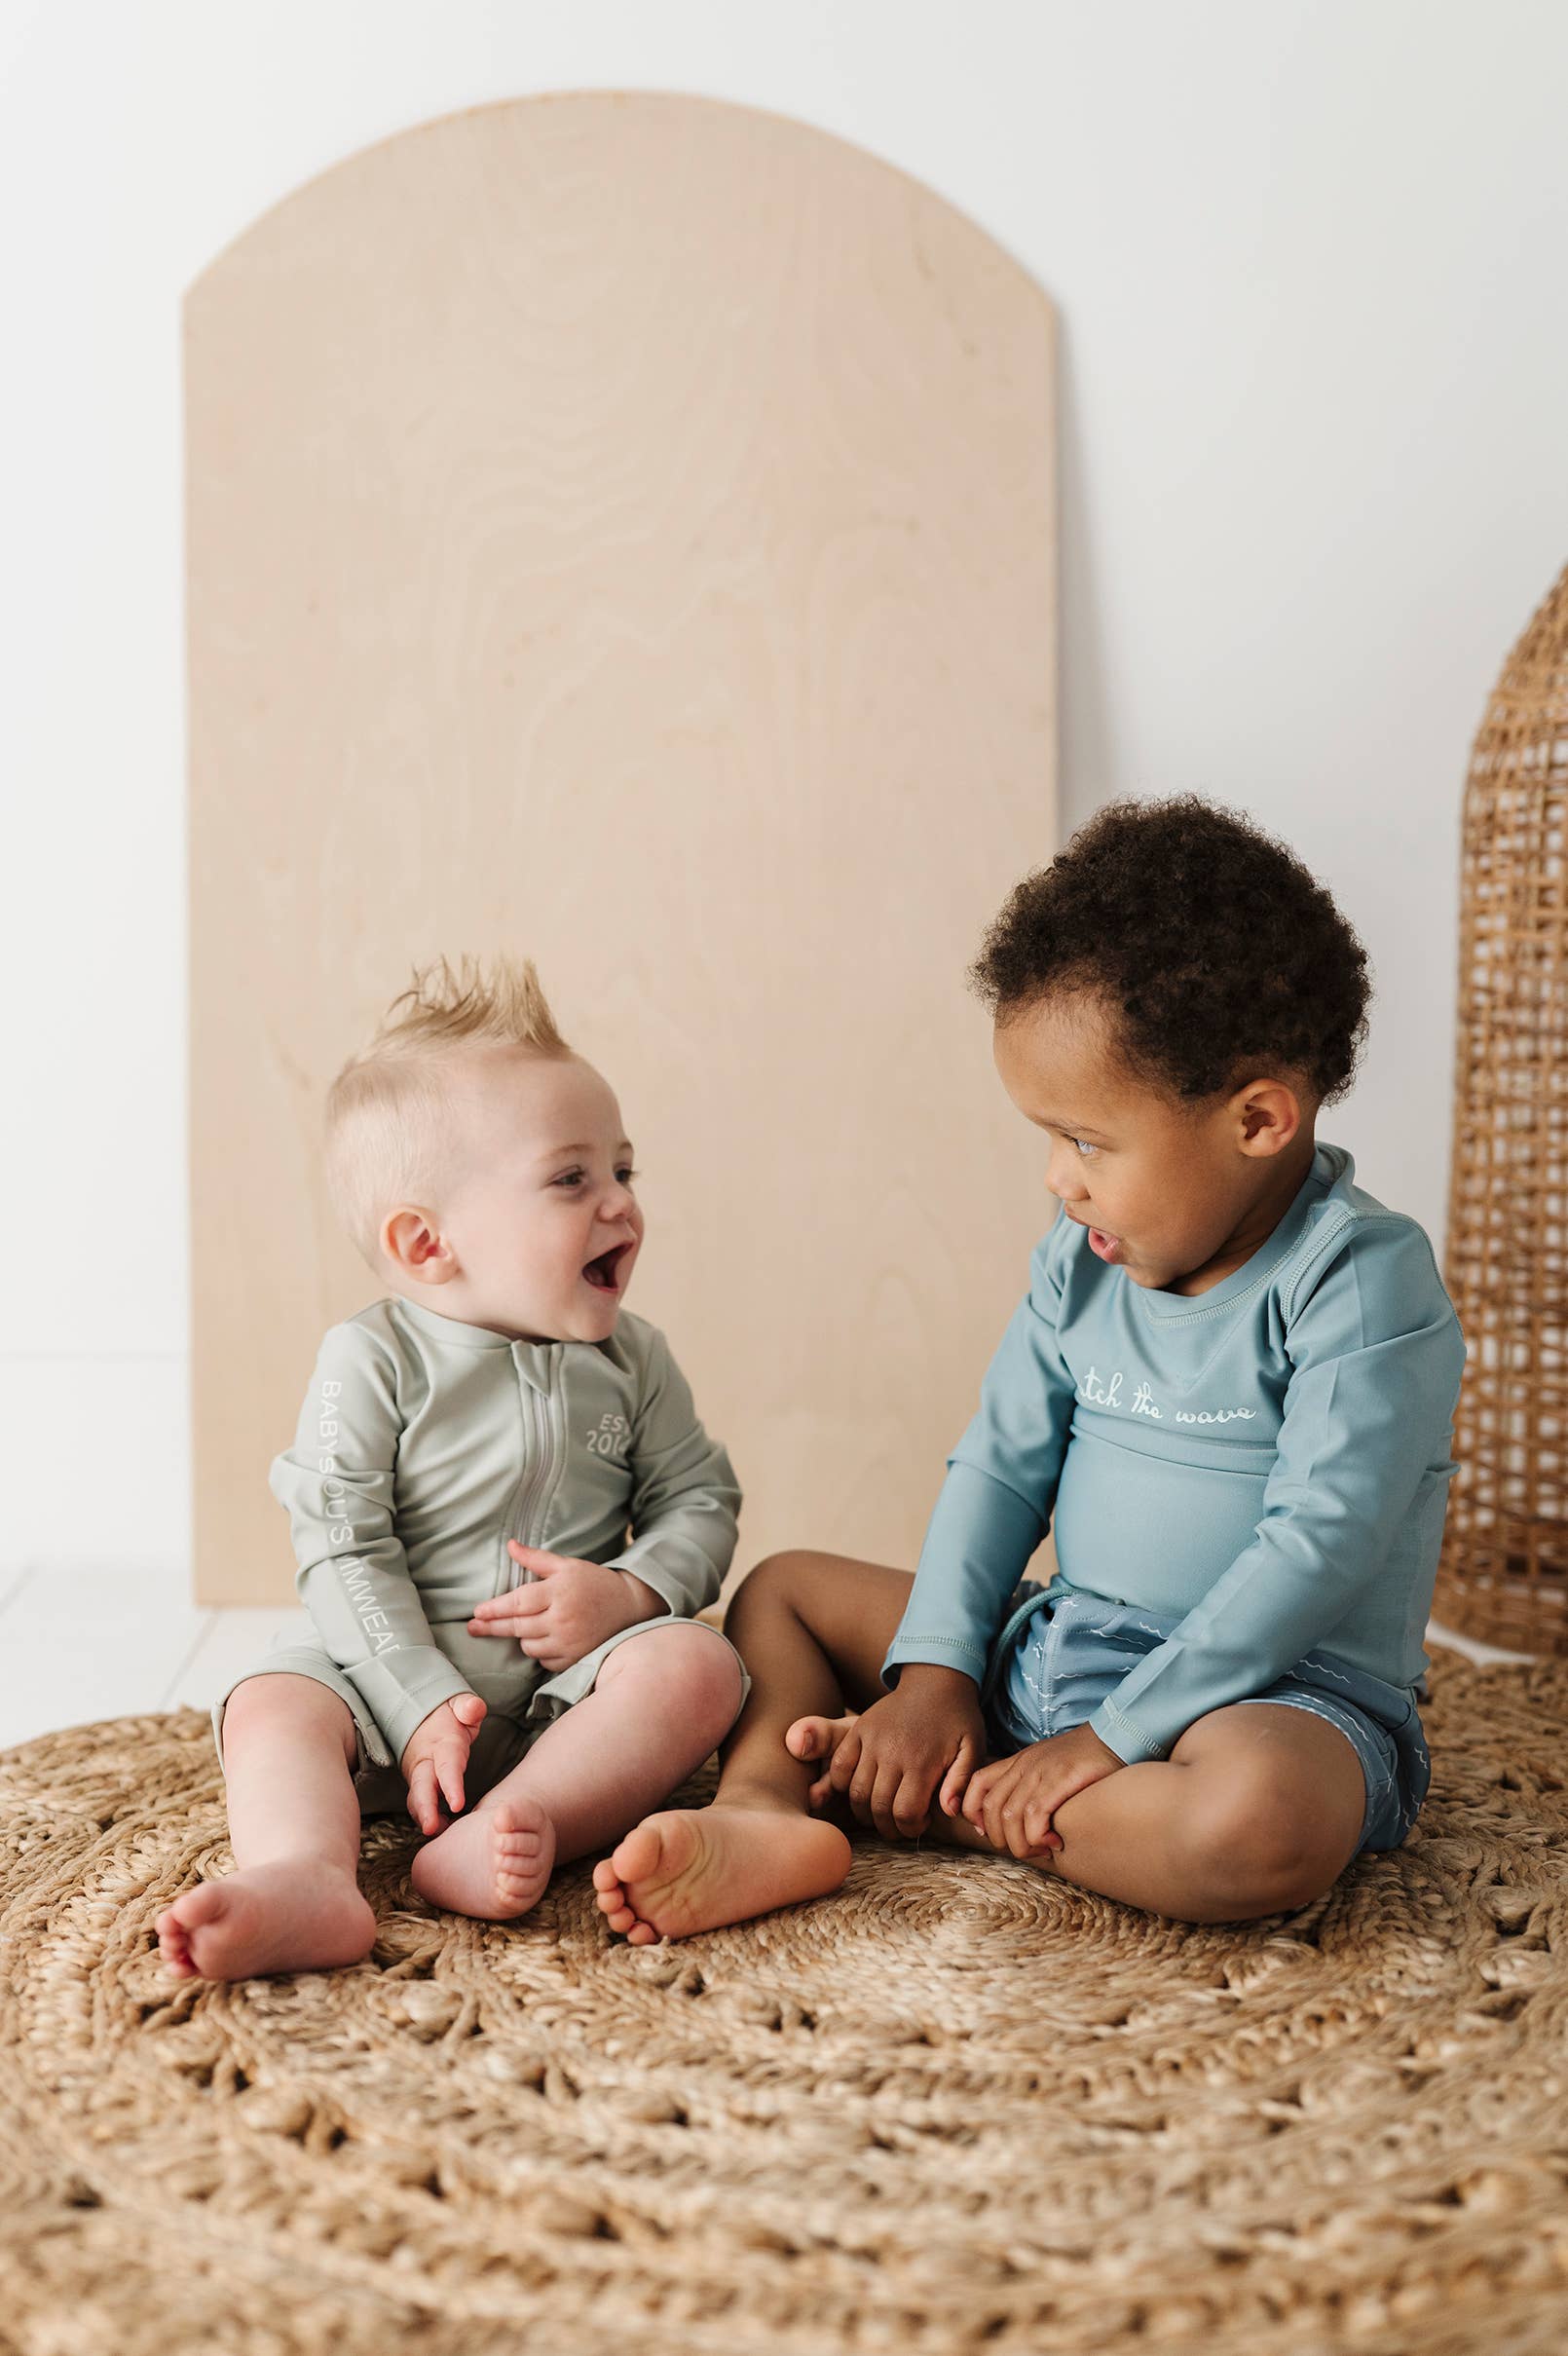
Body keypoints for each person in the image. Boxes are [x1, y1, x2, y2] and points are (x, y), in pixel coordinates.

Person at [593, 794, 1468, 1942]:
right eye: (1047, 1139)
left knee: (1256, 1825)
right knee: (782, 1590)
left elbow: (1317, 1546)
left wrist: (1106, 1740)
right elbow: (1000, 1471)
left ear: (1256, 1119)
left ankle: (919, 1803)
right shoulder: (1081, 1259)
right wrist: (936, 1682)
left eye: (1088, 1141)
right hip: (1056, 1645)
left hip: (1269, 1700)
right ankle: (767, 1805)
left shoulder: (1358, 1280)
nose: (1058, 1178)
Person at [159, 954, 746, 1980]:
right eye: (572, 1177)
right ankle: (306, 1876)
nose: (618, 1204)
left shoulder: (631, 1360)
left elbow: (698, 1497)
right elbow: (340, 1539)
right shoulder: (371, 1358)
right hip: (377, 1696)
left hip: (561, 1710)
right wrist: (415, 1696)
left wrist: (630, 1591)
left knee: (698, 1667)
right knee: (269, 1701)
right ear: (427, 1243)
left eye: (623, 1170)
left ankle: (525, 1819)